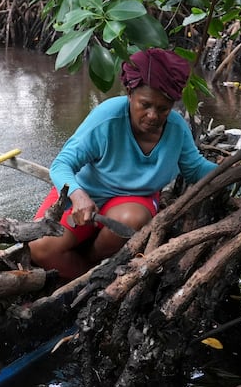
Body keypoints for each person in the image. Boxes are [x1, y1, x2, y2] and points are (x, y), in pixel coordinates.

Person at [27, 47, 219, 281]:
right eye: (145, 105)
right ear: (130, 93)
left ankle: (93, 269)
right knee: (39, 248)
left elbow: (195, 169)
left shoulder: (176, 129)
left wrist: (233, 173)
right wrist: (78, 196)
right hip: (85, 194)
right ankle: (81, 279)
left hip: (133, 201)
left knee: (131, 220)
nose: (153, 116)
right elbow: (61, 165)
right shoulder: (107, 118)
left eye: (163, 109)